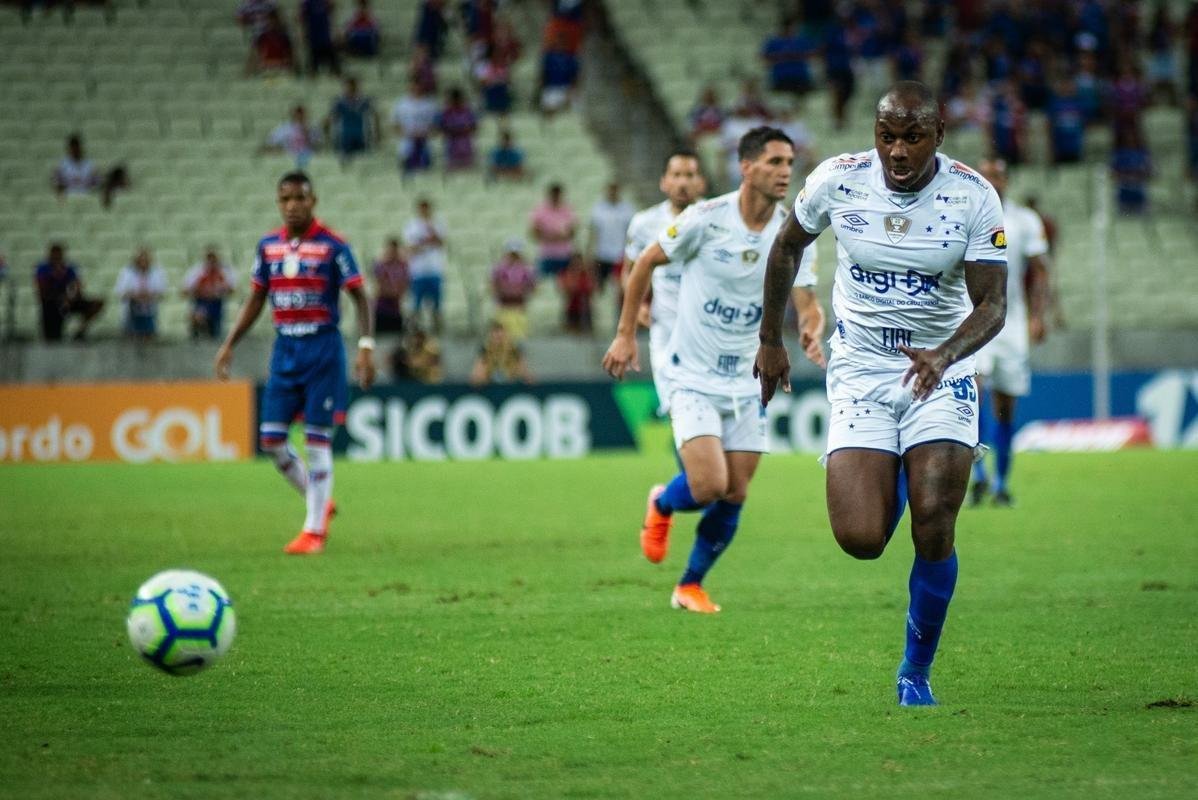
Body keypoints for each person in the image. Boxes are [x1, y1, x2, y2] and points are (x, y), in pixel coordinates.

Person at [754, 81, 1008, 706]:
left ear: (937, 137)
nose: (897, 151)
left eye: (912, 137)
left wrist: (945, 355)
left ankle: (914, 672)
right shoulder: (838, 180)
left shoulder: (973, 197)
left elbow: (993, 306)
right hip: (862, 370)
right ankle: (900, 465)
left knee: (933, 522)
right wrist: (770, 339)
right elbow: (787, 247)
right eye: (886, 135)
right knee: (862, 540)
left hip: (941, 370)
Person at [602, 126, 821, 615]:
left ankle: (690, 586)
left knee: (736, 491)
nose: (786, 171)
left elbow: (807, 300)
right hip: (692, 375)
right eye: (774, 162)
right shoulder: (706, 218)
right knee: (707, 486)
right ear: (746, 168)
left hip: (747, 379)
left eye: (789, 162)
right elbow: (643, 266)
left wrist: (811, 327)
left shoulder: (793, 232)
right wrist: (624, 334)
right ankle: (662, 502)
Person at [215, 171, 376, 555]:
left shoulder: (334, 246)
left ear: (312, 200)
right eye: (285, 199)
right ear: (278, 203)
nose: (292, 205)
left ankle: (314, 531)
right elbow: (256, 299)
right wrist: (229, 343)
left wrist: (366, 347)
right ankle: (319, 499)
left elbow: (360, 297)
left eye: (299, 198)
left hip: (322, 349)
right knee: (271, 441)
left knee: (318, 442)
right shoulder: (268, 247)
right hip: (284, 350)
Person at [971, 158, 1049, 507]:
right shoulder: (962, 214)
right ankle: (978, 475)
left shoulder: (1024, 221)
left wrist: (1038, 315)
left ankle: (1001, 483)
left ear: (1007, 179)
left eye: (998, 175)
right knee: (972, 396)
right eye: (985, 175)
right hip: (971, 321)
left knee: (1006, 406)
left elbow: (1040, 271)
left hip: (1011, 323)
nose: (992, 181)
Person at [622, 148, 705, 417]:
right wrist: (639, 308)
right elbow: (630, 271)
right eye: (676, 175)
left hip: (709, 330)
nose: (682, 182)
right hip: (665, 328)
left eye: (689, 175)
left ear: (700, 182)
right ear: (664, 182)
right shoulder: (645, 223)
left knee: (707, 411)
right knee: (677, 410)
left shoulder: (715, 219)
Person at [34, 243, 104, 342]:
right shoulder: (43, 269)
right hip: (51, 303)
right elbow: (42, 291)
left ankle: (80, 331)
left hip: (68, 300)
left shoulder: (67, 268)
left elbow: (77, 285)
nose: (57, 257)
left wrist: (70, 297)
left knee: (96, 304)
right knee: (52, 338)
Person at [404, 198, 447, 333]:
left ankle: (438, 331)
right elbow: (410, 248)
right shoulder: (411, 226)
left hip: (435, 269)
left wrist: (431, 229)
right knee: (416, 304)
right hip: (418, 271)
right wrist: (424, 242)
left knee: (437, 304)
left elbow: (442, 242)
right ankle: (414, 332)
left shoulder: (438, 224)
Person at [587, 182, 634, 291]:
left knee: (619, 288)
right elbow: (593, 232)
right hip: (602, 254)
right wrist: (589, 252)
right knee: (599, 288)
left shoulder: (627, 209)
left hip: (620, 255)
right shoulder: (598, 208)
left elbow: (631, 233)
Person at [114, 247, 168, 341]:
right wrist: (135, 295)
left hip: (149, 308)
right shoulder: (127, 272)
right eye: (141, 260)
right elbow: (120, 292)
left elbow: (162, 293)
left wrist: (148, 295)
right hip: (132, 308)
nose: (143, 263)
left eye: (145, 260)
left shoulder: (157, 272)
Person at [183, 247, 237, 339]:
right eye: (209, 258)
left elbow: (232, 289)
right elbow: (185, 291)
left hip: (217, 303)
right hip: (201, 301)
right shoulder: (198, 271)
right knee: (198, 315)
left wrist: (219, 291)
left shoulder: (224, 271)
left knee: (215, 332)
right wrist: (200, 290)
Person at [490, 238, 536, 340]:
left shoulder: (527, 269)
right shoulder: (498, 268)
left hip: (519, 306)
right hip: (504, 306)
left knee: (519, 336)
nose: (514, 257)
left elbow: (533, 285)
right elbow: (493, 284)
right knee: (502, 336)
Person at [326, 77, 379, 164]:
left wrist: (377, 134)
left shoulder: (364, 101)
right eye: (349, 87)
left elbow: (375, 115)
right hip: (345, 135)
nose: (351, 89)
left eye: (353, 86)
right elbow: (332, 117)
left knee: (362, 160)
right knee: (345, 160)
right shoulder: (340, 102)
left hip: (361, 134)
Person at [391, 78, 439, 175]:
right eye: (414, 87)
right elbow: (395, 125)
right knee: (408, 172)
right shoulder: (400, 104)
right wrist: (408, 134)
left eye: (418, 87)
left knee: (426, 173)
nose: (416, 89)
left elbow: (436, 125)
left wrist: (424, 133)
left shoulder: (430, 104)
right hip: (407, 143)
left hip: (425, 142)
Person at [529, 183, 577, 277]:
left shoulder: (567, 209)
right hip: (546, 255)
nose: (555, 197)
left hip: (565, 255)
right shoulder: (540, 210)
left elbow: (573, 232)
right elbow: (534, 233)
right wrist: (556, 236)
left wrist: (550, 236)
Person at [471, 320, 533, 385]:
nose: (499, 339)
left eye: (501, 336)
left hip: (511, 387)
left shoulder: (515, 352)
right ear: (490, 337)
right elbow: (476, 377)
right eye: (495, 336)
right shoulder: (485, 352)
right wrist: (480, 378)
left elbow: (526, 376)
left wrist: (526, 377)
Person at [372, 238, 410, 334]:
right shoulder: (381, 265)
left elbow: (405, 284)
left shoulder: (403, 266)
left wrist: (396, 292)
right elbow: (380, 285)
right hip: (381, 309)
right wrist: (393, 292)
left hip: (396, 310)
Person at [438, 86, 479, 171]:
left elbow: (473, 127)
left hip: (465, 144)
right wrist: (459, 130)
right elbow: (442, 128)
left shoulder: (468, 111)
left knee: (467, 170)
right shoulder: (446, 112)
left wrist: (456, 130)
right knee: (452, 170)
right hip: (451, 144)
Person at [558, 253, 594, 334]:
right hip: (571, 306)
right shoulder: (567, 274)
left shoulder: (586, 274)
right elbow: (567, 289)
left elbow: (590, 288)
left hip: (584, 308)